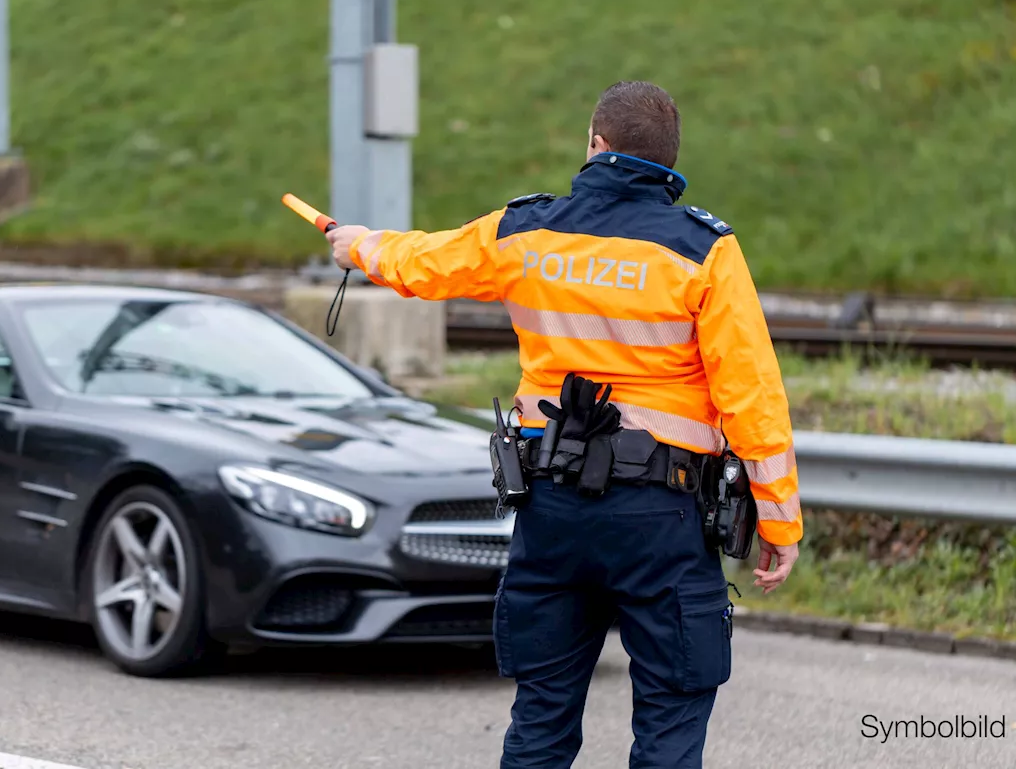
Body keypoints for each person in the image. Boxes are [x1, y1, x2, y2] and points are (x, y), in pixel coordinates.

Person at [326, 80, 802, 768]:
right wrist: (780, 523)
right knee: (670, 721)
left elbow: (424, 261)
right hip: (660, 517)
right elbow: (753, 398)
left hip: (553, 512)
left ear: (595, 145)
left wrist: (359, 245)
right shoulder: (704, 249)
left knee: (542, 720)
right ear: (669, 161)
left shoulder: (526, 231)